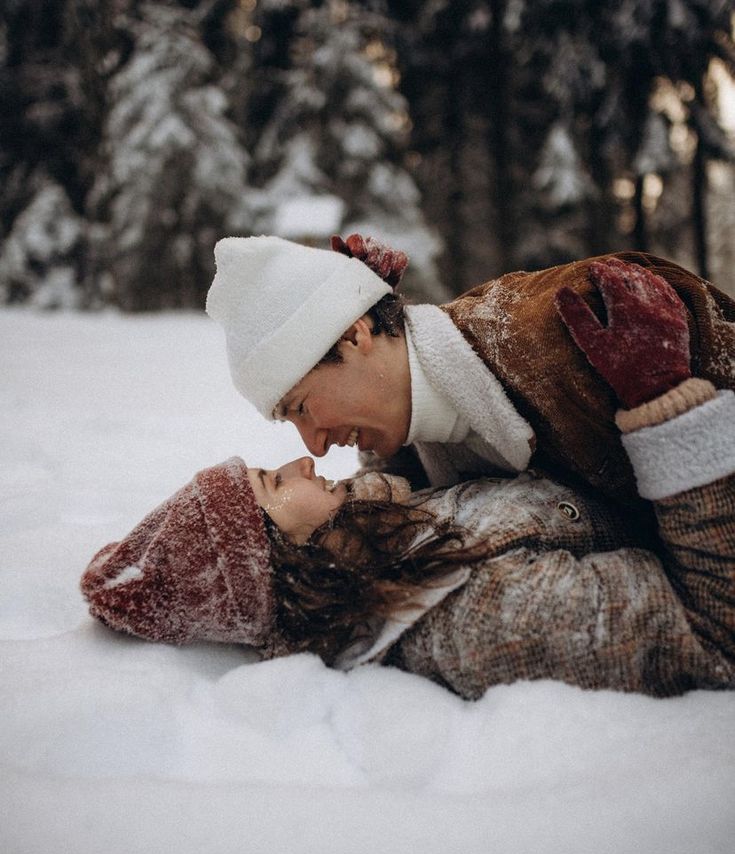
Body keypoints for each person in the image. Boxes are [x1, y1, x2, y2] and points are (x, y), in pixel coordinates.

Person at [81, 265, 735, 700]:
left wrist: (365, 303)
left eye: (303, 405)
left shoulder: (389, 554)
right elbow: (713, 634)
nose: (306, 455)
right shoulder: (475, 620)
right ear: (284, 557)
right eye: (273, 483)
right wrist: (671, 415)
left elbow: (416, 495)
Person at [206, 234, 735, 517]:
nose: (315, 448)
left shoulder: (577, 322)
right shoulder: (418, 446)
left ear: (353, 334)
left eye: (300, 407)